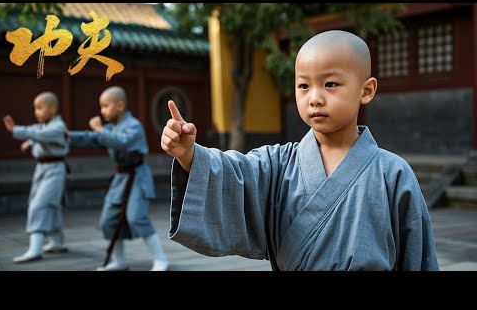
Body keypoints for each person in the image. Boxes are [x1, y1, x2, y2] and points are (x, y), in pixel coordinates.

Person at [161, 30, 440, 271]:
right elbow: (236, 175)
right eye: (304, 85)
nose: (315, 98)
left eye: (330, 84)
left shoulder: (393, 173)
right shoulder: (277, 163)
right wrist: (189, 155)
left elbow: (418, 256)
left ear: (366, 90)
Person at [68, 86, 169, 271]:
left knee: (137, 217)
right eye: (101, 106)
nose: (102, 110)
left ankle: (161, 259)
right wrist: (68, 136)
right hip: (120, 178)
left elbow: (120, 141)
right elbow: (92, 138)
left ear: (120, 105)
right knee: (108, 220)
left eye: (106, 106)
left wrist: (99, 130)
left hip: (137, 176)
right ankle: (119, 261)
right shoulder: (109, 128)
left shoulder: (134, 126)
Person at [2, 91, 69, 263]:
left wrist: (16, 130)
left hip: (54, 169)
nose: (36, 112)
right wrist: (29, 142)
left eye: (40, 108)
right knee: (51, 205)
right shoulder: (44, 126)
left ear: (53, 109)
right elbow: (36, 132)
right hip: (42, 169)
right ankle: (57, 242)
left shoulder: (58, 126)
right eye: (35, 108)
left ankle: (35, 248)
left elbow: (42, 135)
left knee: (39, 205)